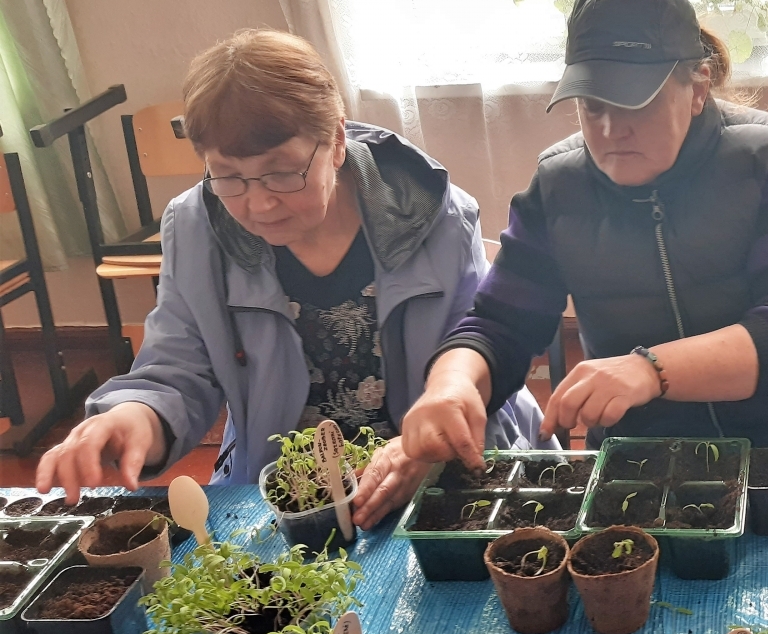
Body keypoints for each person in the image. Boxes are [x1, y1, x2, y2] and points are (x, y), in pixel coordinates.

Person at [35, 29, 547, 525]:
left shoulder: (433, 213)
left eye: (283, 172)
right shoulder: (196, 228)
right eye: (228, 176)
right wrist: (132, 417)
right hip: (288, 490)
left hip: (421, 472)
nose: (258, 203)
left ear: (337, 141)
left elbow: (480, 358)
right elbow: (177, 368)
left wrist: (426, 451)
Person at [396, 0, 768, 473]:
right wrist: (452, 383)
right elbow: (498, 324)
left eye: (637, 102)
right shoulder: (557, 188)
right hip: (641, 461)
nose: (612, 129)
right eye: (593, 106)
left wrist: (648, 369)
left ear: (698, 87)